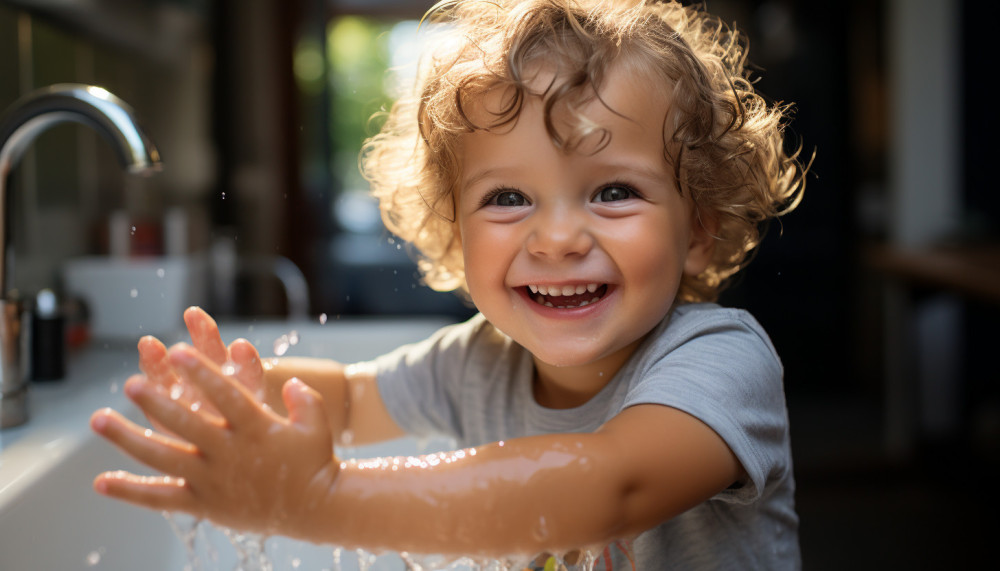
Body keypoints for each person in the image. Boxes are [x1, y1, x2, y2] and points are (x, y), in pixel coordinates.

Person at [91, 0, 808, 568]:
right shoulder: (478, 362)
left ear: (700, 228)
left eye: (613, 190)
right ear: (454, 231)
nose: (557, 238)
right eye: (506, 198)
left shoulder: (720, 362)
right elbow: (348, 399)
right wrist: (230, 394)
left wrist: (321, 500)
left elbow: (606, 485)